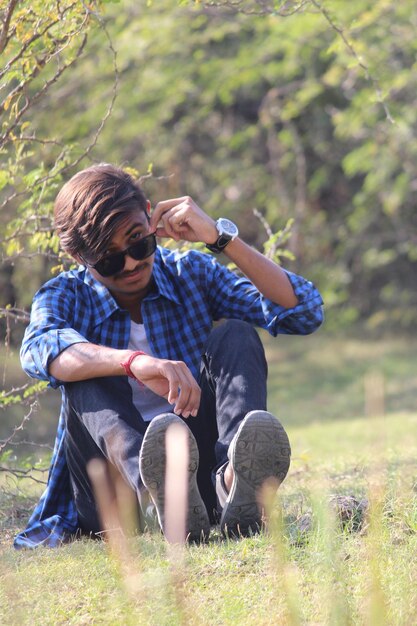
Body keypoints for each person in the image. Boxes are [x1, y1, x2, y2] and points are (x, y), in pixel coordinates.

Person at [14, 164, 323, 548]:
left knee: (236, 334)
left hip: (198, 478)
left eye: (139, 242)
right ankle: (154, 498)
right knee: (83, 374)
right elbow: (40, 350)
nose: (130, 263)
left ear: (149, 215)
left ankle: (232, 481)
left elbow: (303, 311)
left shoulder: (189, 271)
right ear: (78, 256)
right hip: (113, 495)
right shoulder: (64, 295)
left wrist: (219, 238)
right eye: (109, 259)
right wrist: (133, 362)